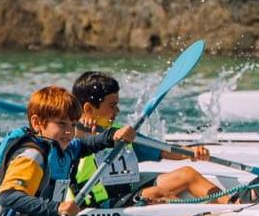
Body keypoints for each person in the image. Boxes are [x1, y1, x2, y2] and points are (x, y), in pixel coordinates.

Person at [66, 72, 220, 207]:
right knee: (155, 193)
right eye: (112, 106)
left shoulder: (122, 133)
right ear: (88, 109)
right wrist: (80, 130)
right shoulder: (70, 136)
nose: (117, 111)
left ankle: (235, 206)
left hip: (126, 196)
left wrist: (192, 152)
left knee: (187, 174)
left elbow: (164, 151)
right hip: (94, 206)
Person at [0, 87, 132, 216]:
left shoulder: (62, 147)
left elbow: (86, 144)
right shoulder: (32, 157)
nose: (69, 132)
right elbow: (8, 196)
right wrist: (57, 208)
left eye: (73, 125)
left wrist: (113, 135)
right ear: (37, 123)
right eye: (62, 124)